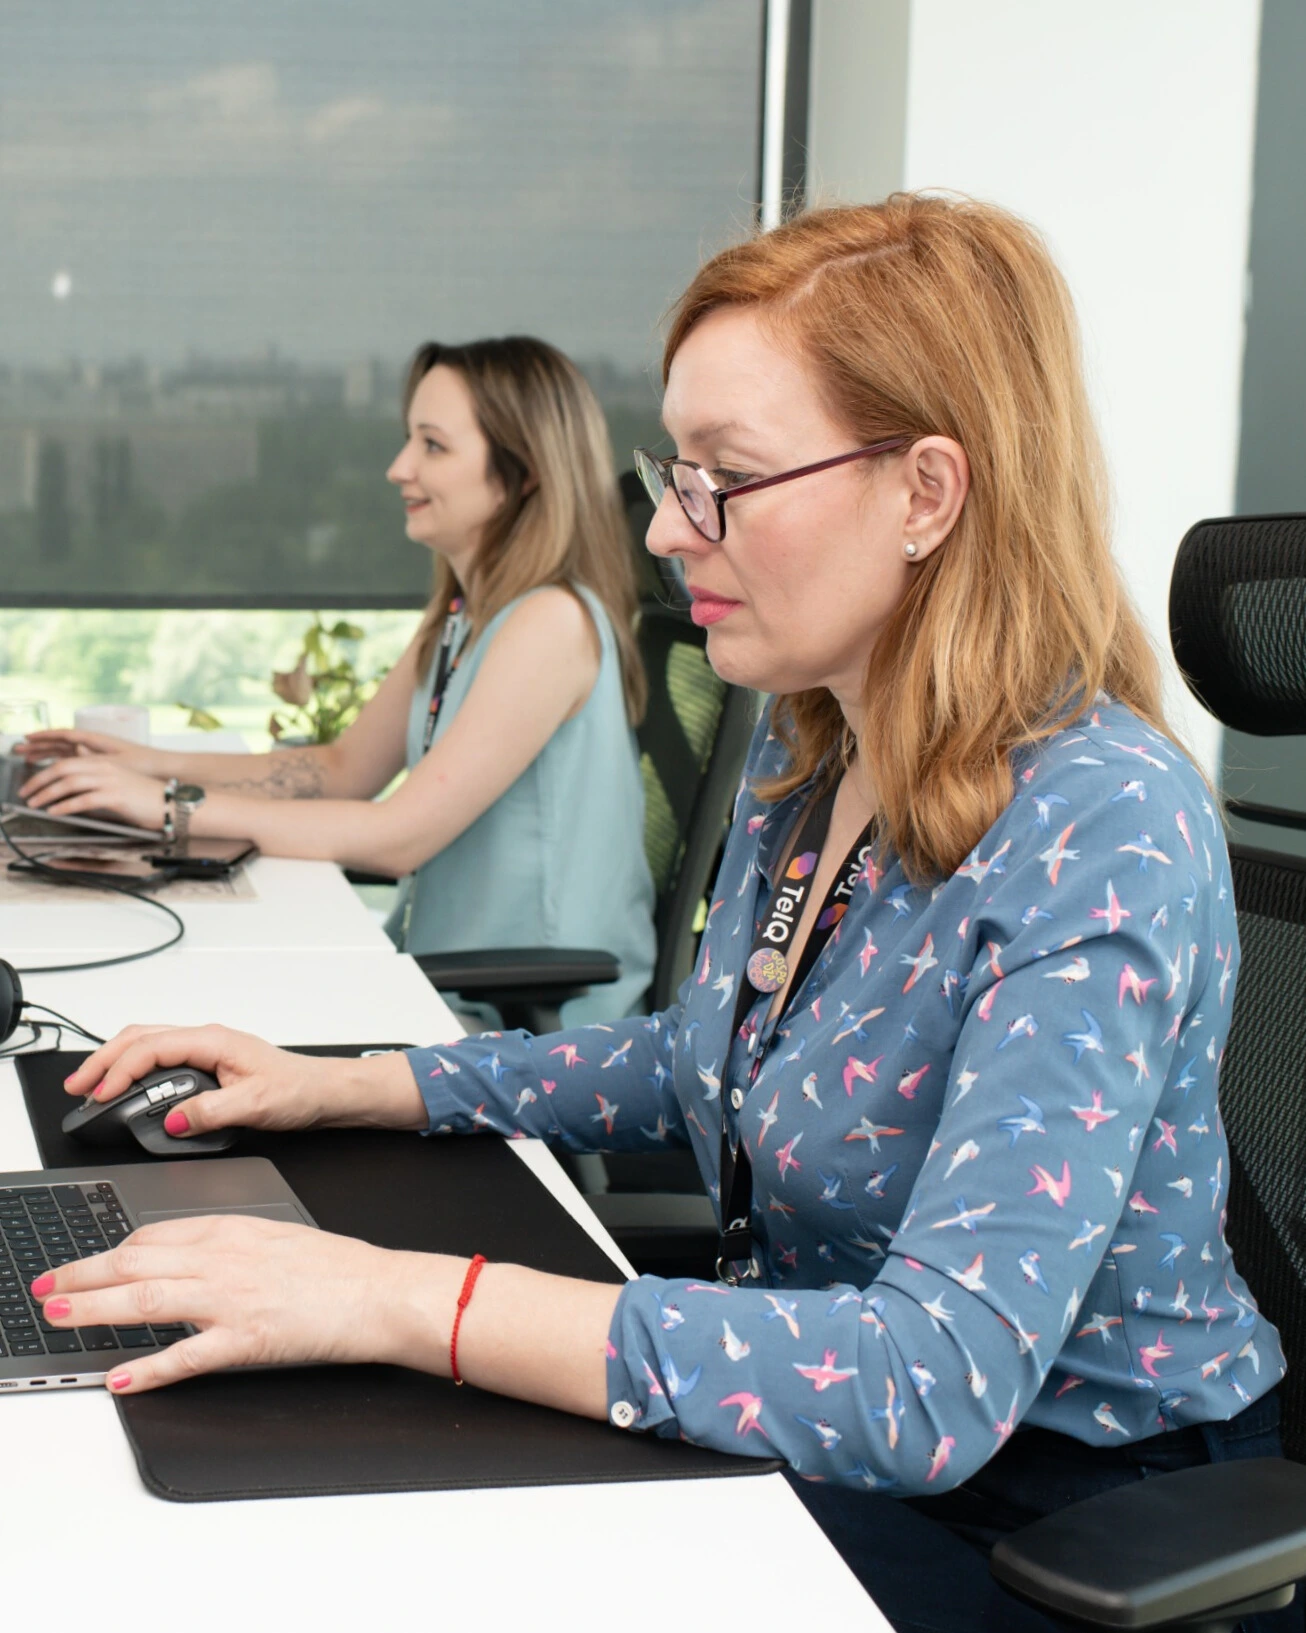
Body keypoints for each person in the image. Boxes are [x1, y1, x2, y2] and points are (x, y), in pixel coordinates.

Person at [33, 197, 1294, 1633]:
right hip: (821, 1438)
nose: (656, 524)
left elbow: (925, 1380)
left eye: (724, 479)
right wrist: (343, 1085)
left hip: (1069, 1517)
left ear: (925, 493)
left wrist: (394, 1299)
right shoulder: (812, 739)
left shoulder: (1096, 819)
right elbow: (691, 1053)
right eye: (669, 468)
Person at [19, 337, 655, 1022]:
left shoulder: (549, 624)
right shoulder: (467, 615)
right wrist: (143, 764)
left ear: (524, 471)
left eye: (433, 446)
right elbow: (344, 767)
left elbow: (398, 836)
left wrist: (169, 808)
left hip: (534, 1026)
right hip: (450, 986)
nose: (398, 467)